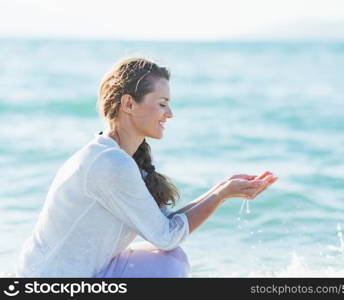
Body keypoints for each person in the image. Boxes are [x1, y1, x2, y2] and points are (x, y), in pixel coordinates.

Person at [14, 56, 278, 278]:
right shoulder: (109, 163)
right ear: (128, 104)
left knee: (169, 261)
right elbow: (166, 236)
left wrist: (223, 187)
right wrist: (222, 195)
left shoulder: (119, 157)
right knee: (168, 264)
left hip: (85, 272)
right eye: (162, 104)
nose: (170, 114)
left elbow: (163, 226)